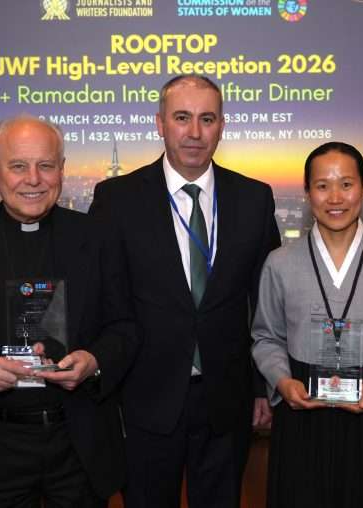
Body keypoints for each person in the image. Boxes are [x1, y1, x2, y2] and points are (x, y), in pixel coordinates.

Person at [0, 115, 135, 507]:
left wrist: (95, 361)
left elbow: (126, 327)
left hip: (78, 441)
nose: (33, 179)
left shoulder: (99, 239)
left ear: (61, 169)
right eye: (18, 166)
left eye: (46, 165)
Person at [88, 74, 281, 508]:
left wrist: (260, 386)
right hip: (145, 398)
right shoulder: (117, 199)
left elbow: (264, 304)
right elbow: (108, 301)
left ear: (222, 127)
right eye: (182, 118)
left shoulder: (254, 198)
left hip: (227, 399)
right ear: (160, 124)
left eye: (207, 119)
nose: (194, 132)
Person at [251, 142, 363, 507]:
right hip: (301, 407)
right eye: (322, 186)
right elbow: (266, 336)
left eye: (346, 184)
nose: (335, 198)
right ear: (307, 193)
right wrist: (282, 381)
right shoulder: (280, 263)